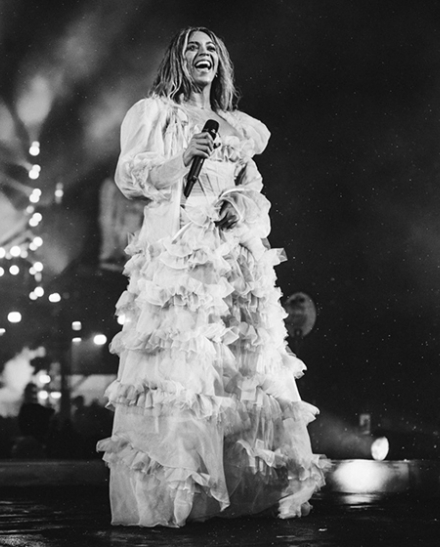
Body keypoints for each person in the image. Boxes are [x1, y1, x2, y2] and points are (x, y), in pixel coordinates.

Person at [97, 26, 329, 528]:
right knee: (183, 373)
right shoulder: (155, 114)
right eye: (193, 48)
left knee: (239, 371)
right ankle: (175, 498)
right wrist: (184, 157)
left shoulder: (238, 126)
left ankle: (236, 492)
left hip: (234, 257)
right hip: (185, 255)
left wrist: (237, 206)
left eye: (211, 50)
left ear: (220, 63)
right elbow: (131, 177)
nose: (203, 56)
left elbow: (255, 192)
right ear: (177, 60)